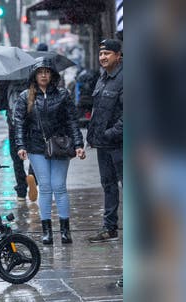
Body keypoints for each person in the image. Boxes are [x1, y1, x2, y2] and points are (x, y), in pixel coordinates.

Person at [14, 58, 86, 245]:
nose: (43, 75)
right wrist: (21, 146)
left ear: (52, 74)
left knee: (59, 186)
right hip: (37, 147)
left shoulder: (63, 94)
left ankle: (64, 230)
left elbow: (72, 121)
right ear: (34, 75)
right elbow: (19, 124)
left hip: (60, 146)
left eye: (46, 72)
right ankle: (47, 230)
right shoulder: (25, 96)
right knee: (45, 187)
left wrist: (78, 144)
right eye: (40, 72)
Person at [84, 39, 124, 243]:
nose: (103, 57)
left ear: (119, 55)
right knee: (108, 185)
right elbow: (97, 111)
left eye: (107, 53)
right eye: (101, 54)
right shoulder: (102, 79)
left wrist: (111, 133)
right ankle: (109, 227)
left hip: (121, 145)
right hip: (103, 144)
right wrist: (92, 136)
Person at [0, 79, 35, 201]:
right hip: (32, 124)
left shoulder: (4, 81)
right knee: (35, 153)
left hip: (14, 124)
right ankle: (32, 176)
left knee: (16, 157)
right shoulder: (33, 79)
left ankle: (21, 189)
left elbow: (0, 105)